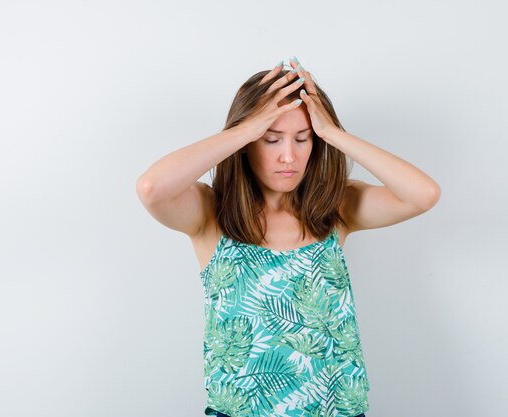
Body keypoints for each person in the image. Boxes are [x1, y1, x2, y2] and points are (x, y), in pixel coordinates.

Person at [136, 56, 441, 417]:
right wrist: (244, 130)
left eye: (302, 139)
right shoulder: (209, 213)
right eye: (271, 138)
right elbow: (152, 188)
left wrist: (332, 133)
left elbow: (423, 194)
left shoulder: (335, 208)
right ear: (247, 143)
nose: (288, 156)